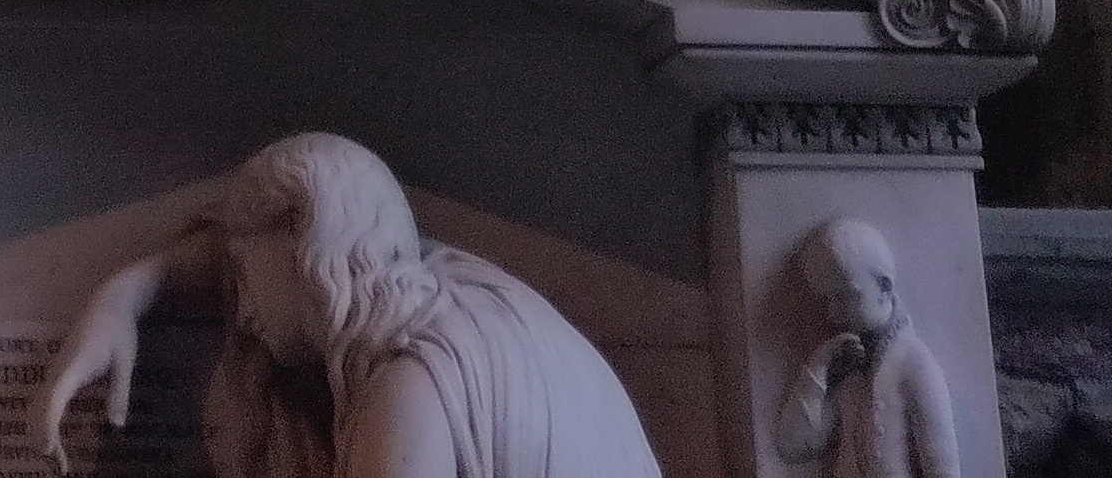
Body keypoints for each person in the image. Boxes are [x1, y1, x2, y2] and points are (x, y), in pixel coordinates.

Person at [39, 131, 658, 478]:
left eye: (247, 266)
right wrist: (125, 296)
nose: (243, 306)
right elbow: (225, 263)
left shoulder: (411, 389)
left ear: (306, 244)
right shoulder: (445, 285)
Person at [772, 221, 959, 478]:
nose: (833, 313)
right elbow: (792, 447)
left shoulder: (916, 365)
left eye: (845, 296)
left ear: (884, 287)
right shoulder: (846, 359)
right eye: (826, 300)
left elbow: (943, 469)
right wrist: (819, 370)